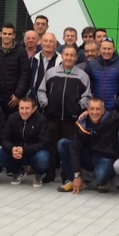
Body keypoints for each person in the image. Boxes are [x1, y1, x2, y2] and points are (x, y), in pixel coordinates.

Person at [37, 44, 91, 184]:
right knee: (51, 147)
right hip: (52, 117)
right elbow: (41, 90)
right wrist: (45, 104)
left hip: (71, 119)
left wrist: (79, 107)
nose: (68, 57)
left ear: (76, 57)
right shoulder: (51, 73)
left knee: (68, 148)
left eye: (71, 55)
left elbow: (87, 96)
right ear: (62, 56)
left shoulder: (82, 76)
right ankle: (50, 173)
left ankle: (67, 175)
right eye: (66, 55)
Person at [59, 98, 119, 193]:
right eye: (92, 109)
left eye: (98, 109)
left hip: (105, 159)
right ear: (87, 110)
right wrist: (77, 175)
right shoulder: (81, 124)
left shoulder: (113, 118)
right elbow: (75, 148)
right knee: (63, 144)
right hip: (88, 157)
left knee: (100, 177)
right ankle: (72, 179)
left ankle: (104, 182)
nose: (94, 112)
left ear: (103, 111)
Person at [0, 97, 51, 187]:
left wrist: (24, 150)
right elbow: (3, 139)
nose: (24, 111)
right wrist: (12, 148)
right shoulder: (12, 118)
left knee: (43, 158)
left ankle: (38, 174)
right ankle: (18, 171)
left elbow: (44, 143)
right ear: (18, 108)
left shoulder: (41, 120)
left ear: (33, 109)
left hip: (34, 153)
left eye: (27, 108)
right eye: (22, 108)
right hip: (16, 153)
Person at [0, 23, 30, 116]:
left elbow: (25, 75)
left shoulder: (21, 52)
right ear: (0, 34)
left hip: (12, 98)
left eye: (9, 34)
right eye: (4, 33)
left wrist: (18, 94)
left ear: (14, 35)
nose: (6, 36)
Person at [86, 38, 119, 112]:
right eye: (104, 48)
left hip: (114, 110)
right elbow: (85, 85)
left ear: (113, 49)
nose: (106, 51)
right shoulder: (92, 65)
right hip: (95, 109)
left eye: (109, 49)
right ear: (100, 49)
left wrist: (117, 101)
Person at [31, 32, 61, 100]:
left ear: (55, 45)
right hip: (35, 99)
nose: (48, 44)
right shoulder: (33, 59)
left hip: (54, 99)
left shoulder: (62, 61)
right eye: (46, 41)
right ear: (41, 43)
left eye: (51, 42)